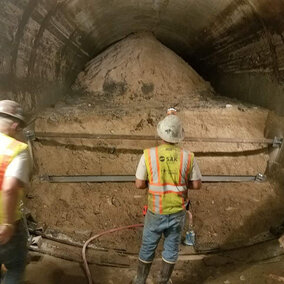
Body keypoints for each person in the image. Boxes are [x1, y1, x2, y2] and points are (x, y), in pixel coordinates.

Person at [133, 113, 202, 284]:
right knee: (171, 248)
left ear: (160, 133)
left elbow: (140, 184)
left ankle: (140, 280)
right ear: (179, 136)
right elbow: (196, 185)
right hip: (178, 211)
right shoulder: (188, 157)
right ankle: (164, 281)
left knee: (148, 246)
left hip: (156, 211)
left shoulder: (149, 155)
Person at [0, 100, 30, 283]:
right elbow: (10, 188)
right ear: (15, 124)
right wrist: (7, 224)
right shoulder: (17, 150)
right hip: (4, 225)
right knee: (16, 266)